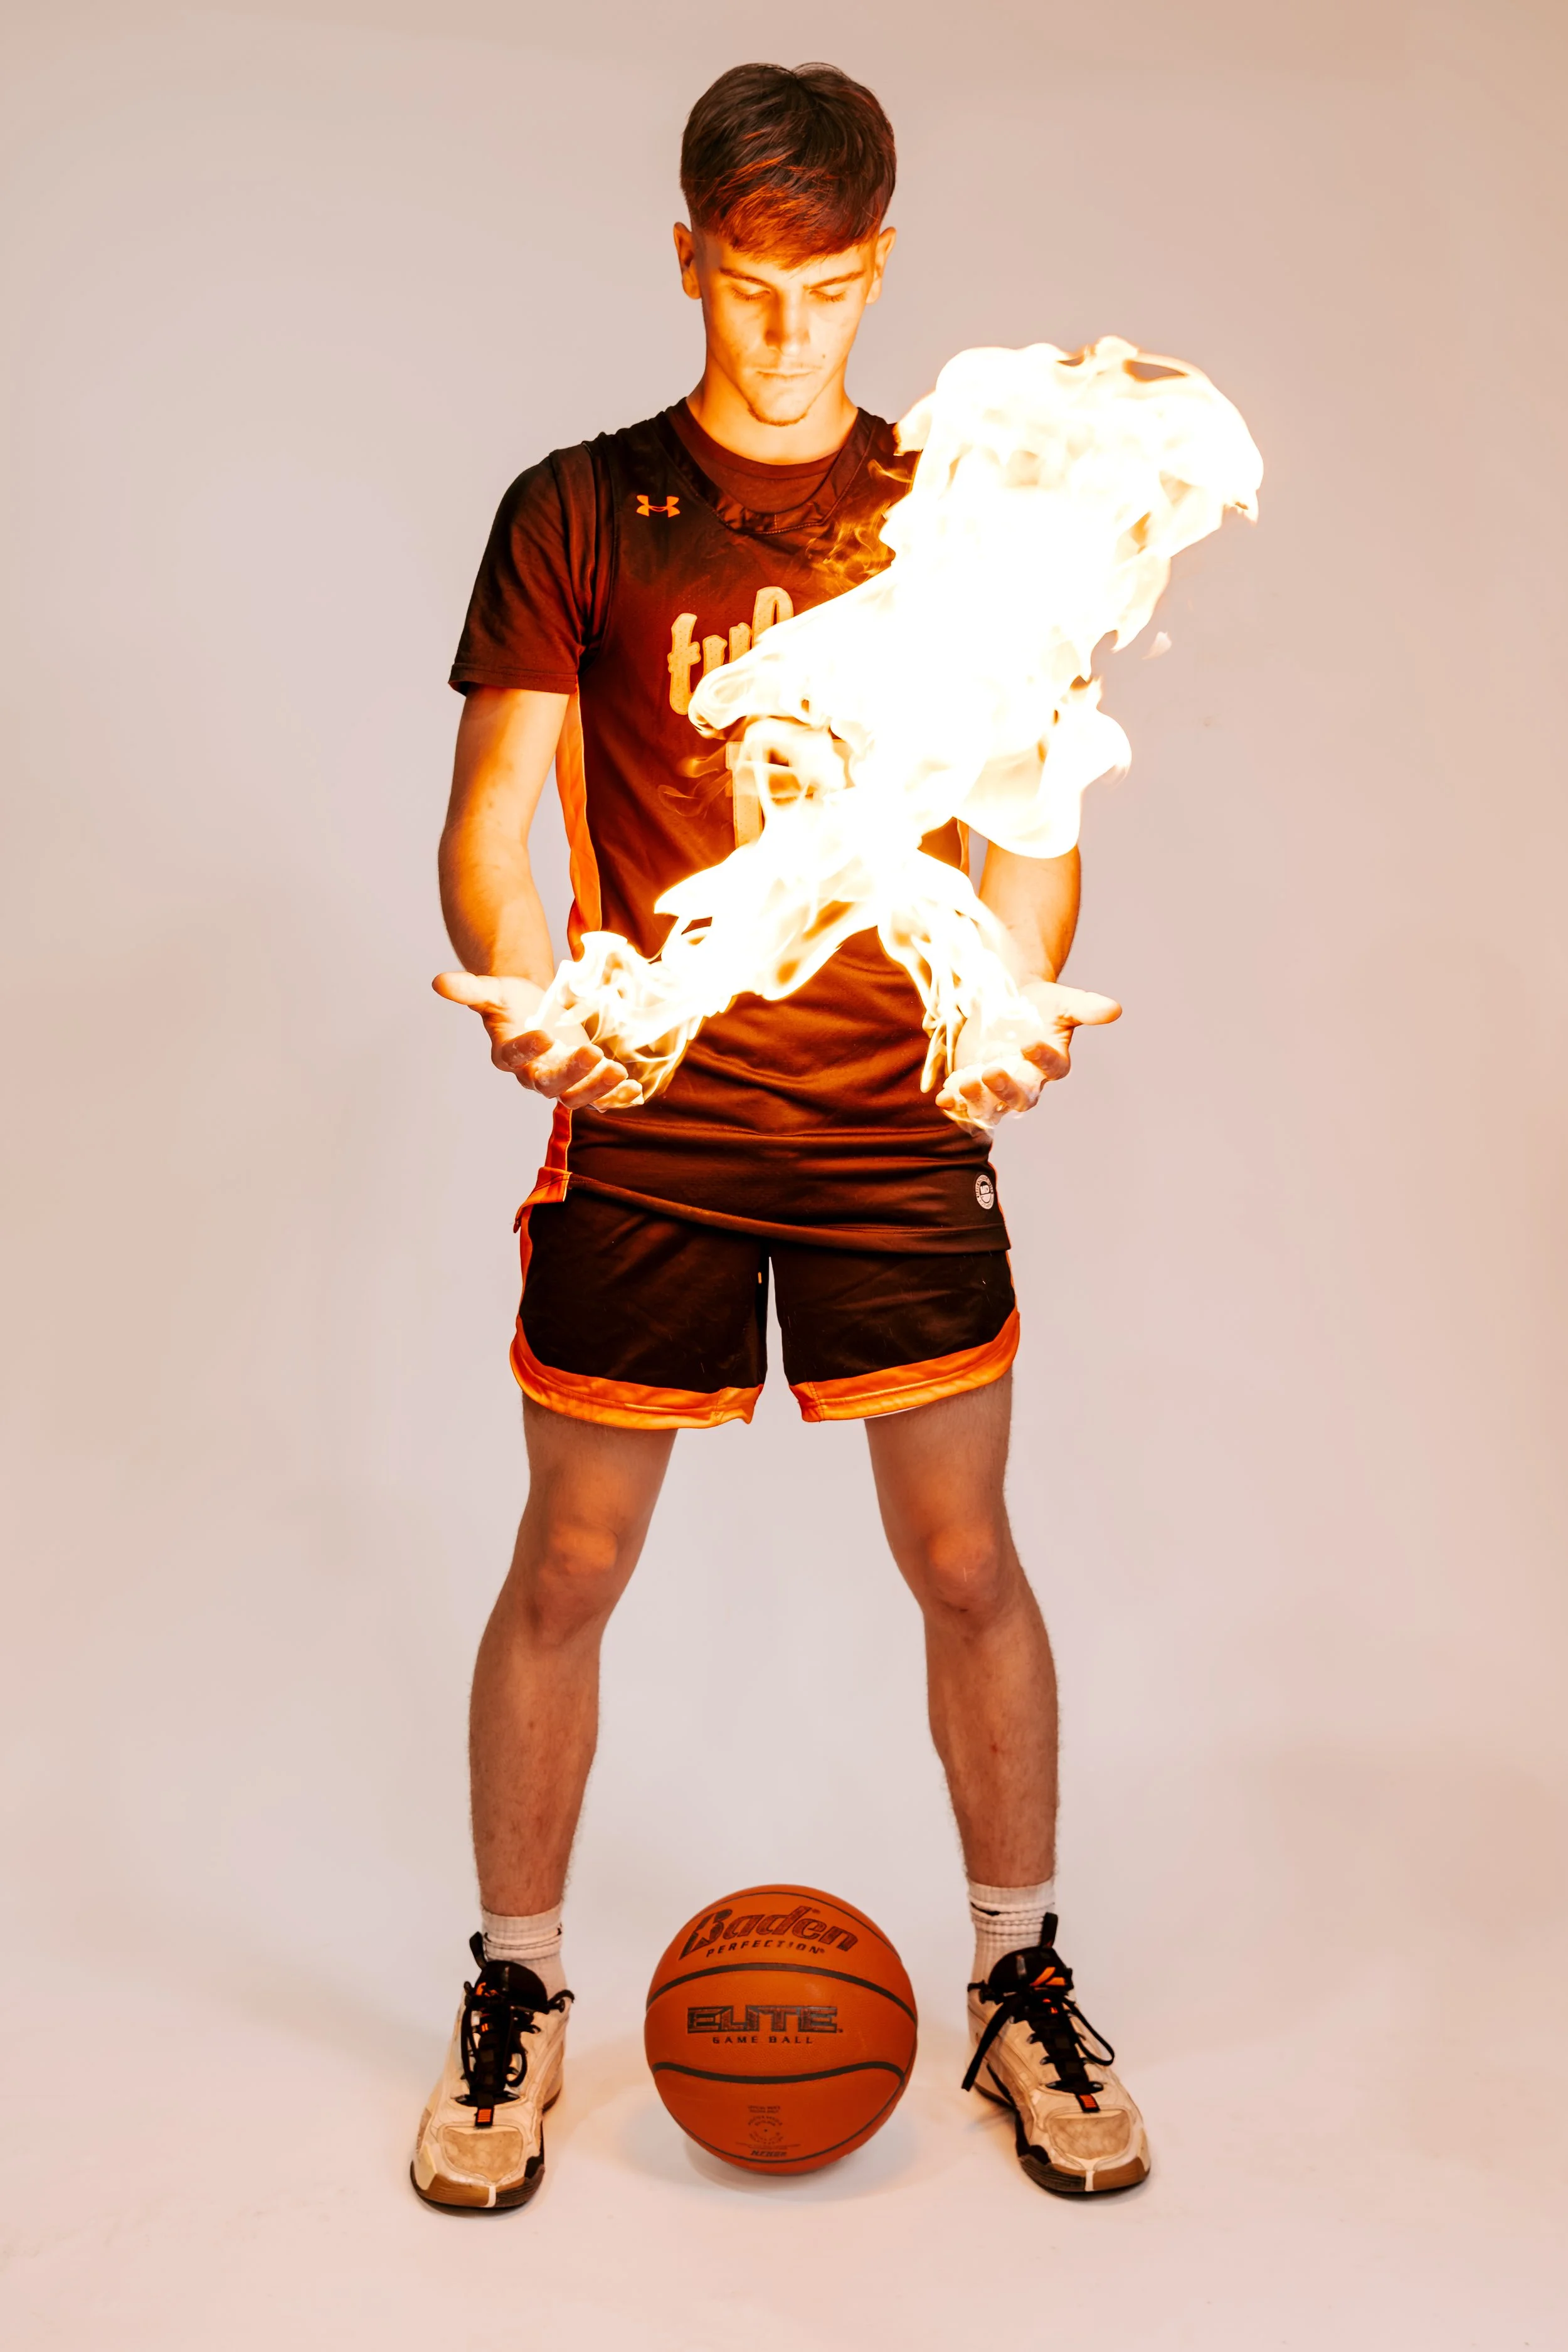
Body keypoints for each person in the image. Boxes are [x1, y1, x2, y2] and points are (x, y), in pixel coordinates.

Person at [411, 60, 1147, 2213]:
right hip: (651, 1115)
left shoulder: (957, 513)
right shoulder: (576, 506)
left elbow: (1029, 826)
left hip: (886, 1123)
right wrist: (531, 993)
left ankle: (1016, 1982)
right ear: (688, 263)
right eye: (748, 283)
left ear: (876, 271)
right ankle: (517, 1996)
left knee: (959, 1556)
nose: (786, 326)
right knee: (570, 1559)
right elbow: (488, 832)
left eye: (823, 286)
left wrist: (1005, 1011)